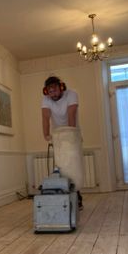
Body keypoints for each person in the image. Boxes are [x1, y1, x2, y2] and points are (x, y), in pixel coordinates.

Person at [41, 76, 83, 209]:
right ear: (46, 91)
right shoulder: (46, 100)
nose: (52, 93)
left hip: (72, 134)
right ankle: (65, 197)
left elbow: (71, 115)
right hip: (58, 136)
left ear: (61, 87)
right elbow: (45, 117)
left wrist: (70, 136)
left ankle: (77, 197)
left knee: (73, 166)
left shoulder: (71, 94)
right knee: (62, 168)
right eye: (49, 91)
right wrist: (46, 135)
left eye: (55, 89)